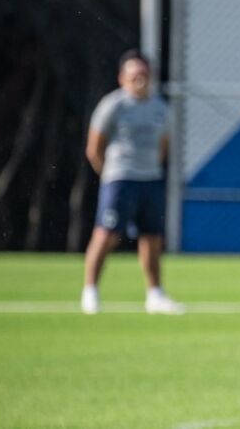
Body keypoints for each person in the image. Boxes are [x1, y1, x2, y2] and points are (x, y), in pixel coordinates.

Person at [81, 50, 184, 315]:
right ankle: (90, 291)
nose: (140, 79)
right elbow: (94, 148)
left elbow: (163, 146)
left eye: (144, 74)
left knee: (151, 237)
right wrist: (109, 174)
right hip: (120, 179)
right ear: (122, 77)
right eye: (135, 74)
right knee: (106, 234)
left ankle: (155, 294)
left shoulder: (161, 109)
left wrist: (151, 169)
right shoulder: (113, 105)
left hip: (149, 180)